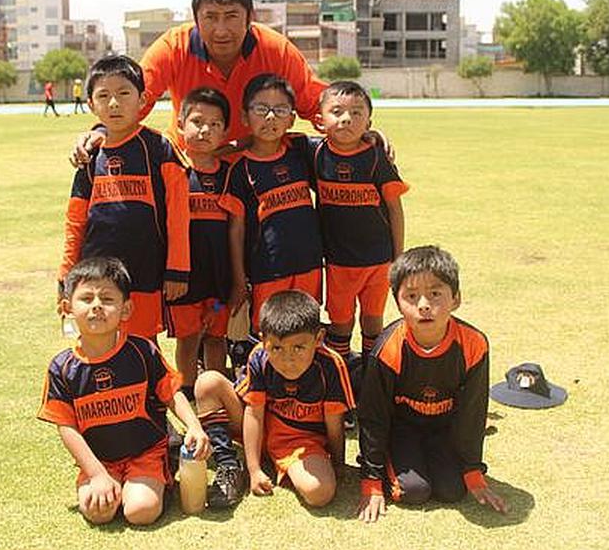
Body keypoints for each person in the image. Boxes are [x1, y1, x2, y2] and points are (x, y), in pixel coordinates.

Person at [70, 0, 328, 164]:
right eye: (211, 17)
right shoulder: (173, 47)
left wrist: (355, 130)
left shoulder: (276, 50)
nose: (221, 30)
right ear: (195, 17)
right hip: (190, 169)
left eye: (231, 17)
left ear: (250, 16)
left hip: (252, 169)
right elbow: (135, 99)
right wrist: (102, 131)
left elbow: (315, 103)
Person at [38, 256, 211, 525]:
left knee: (140, 511)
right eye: (86, 299)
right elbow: (66, 427)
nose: (97, 306)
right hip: (100, 460)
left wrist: (194, 426)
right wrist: (96, 474)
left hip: (146, 452)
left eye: (107, 299)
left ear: (126, 309)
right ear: (67, 307)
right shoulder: (61, 367)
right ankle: (112, 481)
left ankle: (157, 476)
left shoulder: (142, 351)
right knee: (98, 513)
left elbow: (171, 393)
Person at [356, 246, 508, 523]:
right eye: (411, 296)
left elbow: (473, 412)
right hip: (401, 429)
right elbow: (372, 416)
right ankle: (397, 460)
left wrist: (473, 471)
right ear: (397, 302)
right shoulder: (387, 348)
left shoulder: (474, 344)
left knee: (453, 491)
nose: (424, 305)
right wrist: (371, 480)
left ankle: (441, 463)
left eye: (435, 294)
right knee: (414, 492)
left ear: (456, 298)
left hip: (443, 429)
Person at [59, 55, 190, 338]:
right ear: (91, 104)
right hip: (95, 275)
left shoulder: (159, 149)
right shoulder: (89, 155)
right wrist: (65, 274)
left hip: (145, 270)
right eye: (104, 96)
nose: (114, 103)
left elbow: (179, 214)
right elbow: (75, 220)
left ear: (142, 100)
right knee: (98, 344)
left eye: (124, 93)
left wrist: (177, 268)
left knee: (143, 345)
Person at [193, 290, 354, 509]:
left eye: (299, 347)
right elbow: (253, 413)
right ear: (263, 340)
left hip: (300, 443)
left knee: (320, 493)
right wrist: (254, 470)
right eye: (277, 348)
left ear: (318, 339)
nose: (288, 359)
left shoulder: (331, 365)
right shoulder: (259, 356)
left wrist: (337, 464)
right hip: (260, 429)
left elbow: (335, 425)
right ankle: (229, 465)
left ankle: (283, 464)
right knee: (207, 383)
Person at [313, 81, 408, 373]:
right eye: (337, 111)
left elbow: (394, 207)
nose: (346, 119)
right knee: (340, 322)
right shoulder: (314, 154)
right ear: (320, 120)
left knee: (372, 319)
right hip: (339, 261)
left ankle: (371, 373)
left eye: (356, 113)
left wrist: (398, 257)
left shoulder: (376, 157)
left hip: (378, 260)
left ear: (369, 121)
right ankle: (340, 375)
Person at [218, 74, 323, 336]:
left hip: (309, 262)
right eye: (261, 109)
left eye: (280, 110)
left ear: (292, 118)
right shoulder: (240, 170)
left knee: (306, 330)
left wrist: (371, 134)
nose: (270, 118)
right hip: (268, 269)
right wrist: (239, 280)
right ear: (244, 117)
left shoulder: (301, 151)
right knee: (269, 333)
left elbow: (341, 142)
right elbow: (236, 230)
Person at [166, 87, 233, 398]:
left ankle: (216, 393)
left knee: (217, 337)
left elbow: (238, 230)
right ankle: (189, 391)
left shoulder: (231, 174)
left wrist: (237, 280)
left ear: (225, 132)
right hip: (185, 280)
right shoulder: (172, 170)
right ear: (180, 124)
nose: (205, 129)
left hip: (219, 280)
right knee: (189, 337)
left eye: (215, 124)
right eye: (196, 121)